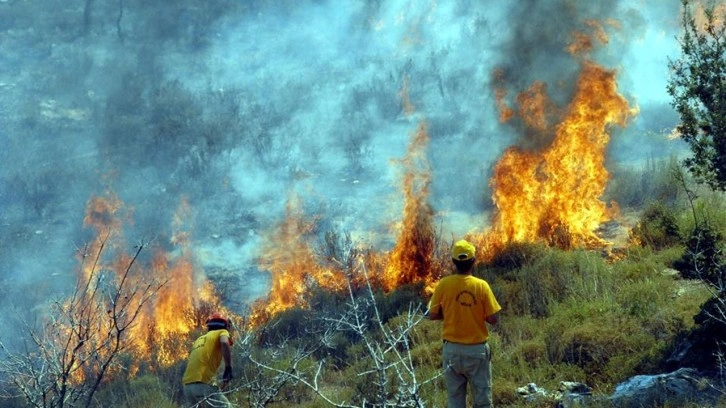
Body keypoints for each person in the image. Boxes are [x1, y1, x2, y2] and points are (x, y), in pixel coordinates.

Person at [427, 239, 501, 408]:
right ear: (474, 261)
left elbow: (432, 314)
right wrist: (474, 312)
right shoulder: (481, 286)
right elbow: (493, 319)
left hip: (451, 351)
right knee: (482, 401)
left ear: (453, 262)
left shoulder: (443, 284)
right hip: (476, 352)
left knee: (454, 401)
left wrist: (451, 313)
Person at [182, 312, 234, 408]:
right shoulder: (222, 332)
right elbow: (224, 342)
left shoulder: (199, 339)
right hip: (203, 383)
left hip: (187, 386)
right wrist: (228, 368)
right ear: (225, 325)